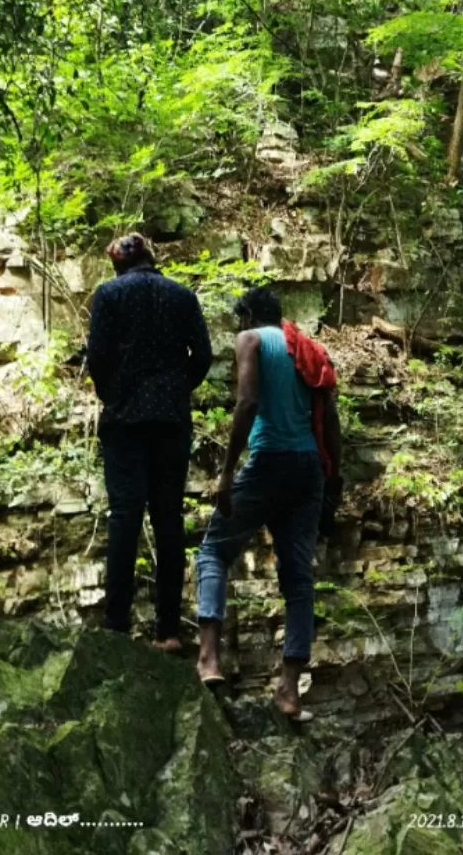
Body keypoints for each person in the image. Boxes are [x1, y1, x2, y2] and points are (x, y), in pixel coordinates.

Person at [195, 286, 341, 718]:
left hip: (268, 462)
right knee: (298, 580)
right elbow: (330, 418)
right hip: (308, 469)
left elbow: (247, 401)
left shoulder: (252, 340)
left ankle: (208, 660)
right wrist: (335, 477)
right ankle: (289, 691)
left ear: (249, 316)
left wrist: (226, 471)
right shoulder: (309, 349)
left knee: (214, 552)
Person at [86, 232, 213, 652]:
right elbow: (204, 354)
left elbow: (97, 357)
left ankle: (117, 624)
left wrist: (114, 393)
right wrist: (177, 388)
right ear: (152, 259)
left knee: (124, 516)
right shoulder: (181, 296)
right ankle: (168, 630)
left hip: (124, 419)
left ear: (119, 264)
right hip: (171, 419)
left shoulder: (108, 295)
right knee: (168, 519)